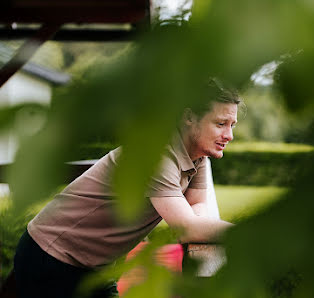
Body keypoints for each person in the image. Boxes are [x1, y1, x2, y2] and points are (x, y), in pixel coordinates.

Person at [13, 79, 242, 298]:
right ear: (189, 117)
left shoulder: (198, 155)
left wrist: (201, 224)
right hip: (51, 257)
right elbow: (187, 229)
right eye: (220, 124)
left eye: (232, 125)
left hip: (96, 267)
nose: (229, 135)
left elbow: (198, 205)